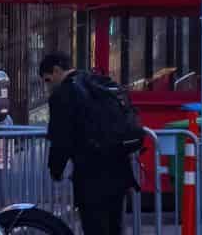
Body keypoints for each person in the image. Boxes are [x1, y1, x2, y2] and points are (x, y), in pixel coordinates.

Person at [40, 52, 135, 235]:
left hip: (91, 176)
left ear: (57, 71)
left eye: (47, 80)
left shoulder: (63, 94)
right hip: (120, 170)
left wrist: (55, 169)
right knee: (115, 227)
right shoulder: (98, 82)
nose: (48, 87)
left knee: (95, 228)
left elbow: (61, 138)